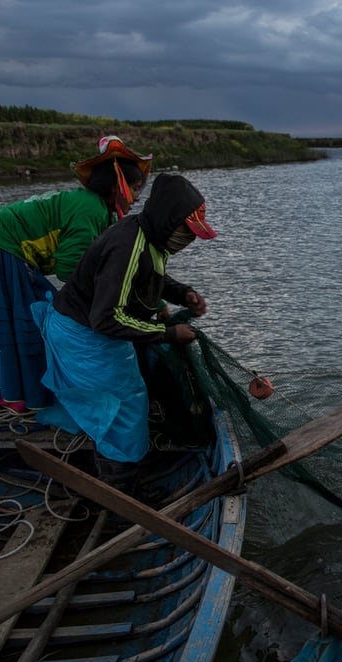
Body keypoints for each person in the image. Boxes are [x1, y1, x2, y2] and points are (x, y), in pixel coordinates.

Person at [31, 173, 217, 491]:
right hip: (83, 335)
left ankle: (126, 469)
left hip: (95, 331)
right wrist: (170, 334)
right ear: (168, 219)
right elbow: (106, 319)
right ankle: (122, 492)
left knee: (130, 399)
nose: (189, 239)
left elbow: (149, 277)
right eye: (186, 230)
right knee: (122, 409)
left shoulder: (150, 237)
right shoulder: (127, 245)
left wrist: (182, 292)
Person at [0, 135, 152, 412]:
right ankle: (19, 396)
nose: (138, 197)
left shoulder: (98, 211)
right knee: (29, 321)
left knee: (11, 321)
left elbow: (112, 267)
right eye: (135, 187)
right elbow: (70, 268)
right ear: (118, 185)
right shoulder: (89, 208)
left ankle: (4, 392)